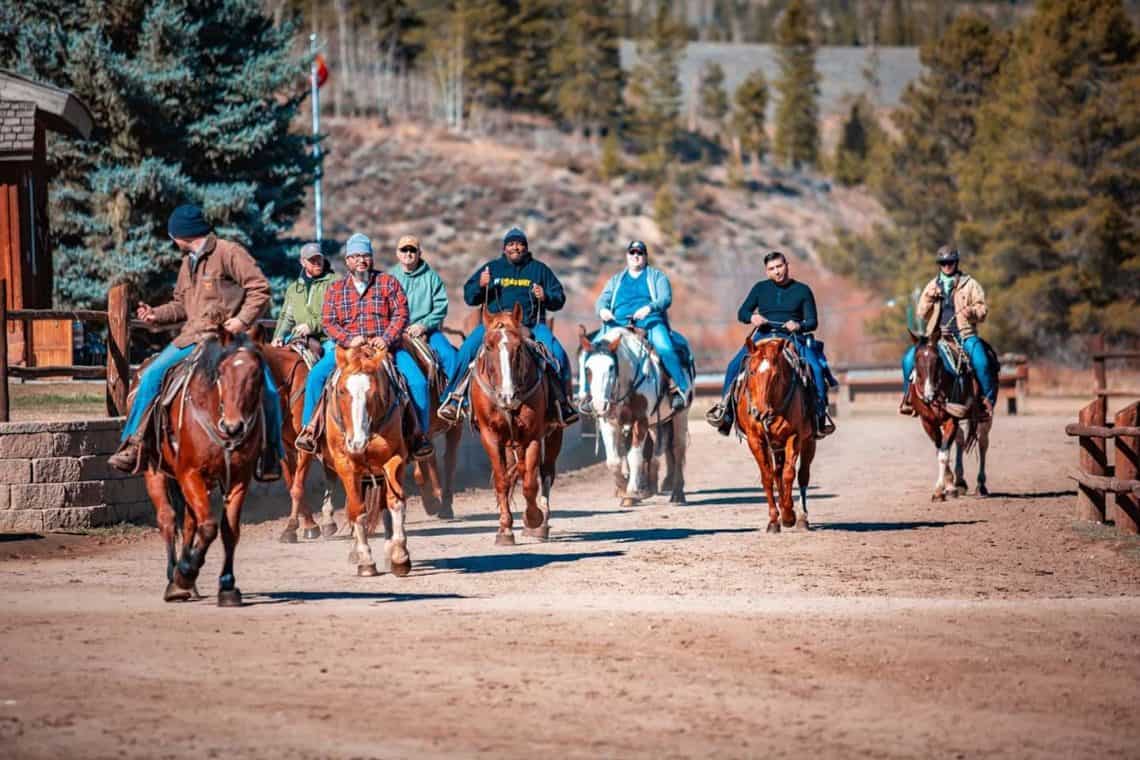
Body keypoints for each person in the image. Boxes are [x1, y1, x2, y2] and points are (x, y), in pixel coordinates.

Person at [108, 204, 284, 480]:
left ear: (182, 234)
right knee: (152, 374)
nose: (172, 240)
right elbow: (181, 305)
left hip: (229, 340)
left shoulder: (229, 252)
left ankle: (272, 453)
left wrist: (240, 322)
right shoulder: (187, 263)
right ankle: (134, 442)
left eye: (172, 235)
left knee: (269, 390)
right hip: (191, 338)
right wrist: (156, 314)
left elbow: (259, 289)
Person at [293, 233, 433, 459]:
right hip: (349, 352)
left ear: (372, 258)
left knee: (417, 381)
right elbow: (328, 321)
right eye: (355, 256)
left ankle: (419, 435)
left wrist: (385, 338)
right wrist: (348, 340)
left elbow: (401, 313)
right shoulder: (337, 289)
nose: (361, 260)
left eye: (365, 255)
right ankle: (310, 429)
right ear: (347, 261)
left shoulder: (388, 283)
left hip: (386, 350)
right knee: (317, 376)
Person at [437, 226, 577, 425]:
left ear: (526, 248)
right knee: (466, 350)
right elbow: (469, 297)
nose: (515, 248)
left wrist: (546, 296)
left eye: (520, 244)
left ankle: (562, 404)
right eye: (511, 244)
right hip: (494, 326)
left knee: (558, 353)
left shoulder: (539, 270)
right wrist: (480, 285)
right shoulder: (491, 268)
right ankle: (453, 399)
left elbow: (559, 298)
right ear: (504, 248)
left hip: (531, 324)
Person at [706, 251, 836, 438]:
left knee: (815, 367)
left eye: (779, 266)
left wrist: (799, 325)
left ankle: (820, 415)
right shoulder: (760, 288)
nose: (777, 272)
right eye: (772, 269)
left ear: (787, 265)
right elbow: (742, 312)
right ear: (766, 272)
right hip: (762, 337)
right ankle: (725, 411)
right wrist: (752, 317)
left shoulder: (803, 290)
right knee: (733, 365)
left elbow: (813, 321)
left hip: (791, 339)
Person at [593, 240, 691, 410]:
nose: (636, 256)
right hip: (618, 323)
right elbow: (603, 299)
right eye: (632, 252)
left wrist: (649, 308)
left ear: (645, 257)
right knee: (592, 350)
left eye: (640, 253)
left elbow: (665, 298)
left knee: (665, 347)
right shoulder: (616, 280)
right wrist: (602, 310)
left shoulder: (656, 277)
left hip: (649, 321)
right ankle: (590, 394)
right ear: (627, 256)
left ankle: (680, 389)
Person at [899, 245, 995, 417]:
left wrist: (972, 311)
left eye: (950, 262)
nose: (947, 266)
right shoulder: (931, 285)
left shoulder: (970, 284)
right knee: (907, 360)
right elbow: (921, 313)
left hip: (964, 335)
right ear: (939, 265)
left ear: (956, 262)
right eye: (943, 263)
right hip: (934, 338)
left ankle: (986, 403)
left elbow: (983, 311)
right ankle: (909, 400)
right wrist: (929, 298)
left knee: (982, 362)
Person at [387, 235, 458, 382]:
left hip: (428, 331)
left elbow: (441, 307)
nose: (408, 253)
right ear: (397, 253)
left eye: (412, 250)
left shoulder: (431, 277)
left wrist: (423, 325)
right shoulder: (389, 278)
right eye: (404, 250)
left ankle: (456, 399)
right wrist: (396, 329)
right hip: (396, 332)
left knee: (449, 356)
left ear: (420, 253)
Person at [271, 242, 336, 352]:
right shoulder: (293, 288)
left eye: (319, 259)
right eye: (312, 260)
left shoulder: (334, 283)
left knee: (334, 357)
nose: (317, 263)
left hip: (327, 339)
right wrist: (278, 336)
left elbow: (335, 314)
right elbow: (286, 317)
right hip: (299, 338)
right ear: (302, 262)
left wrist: (311, 326)